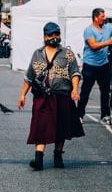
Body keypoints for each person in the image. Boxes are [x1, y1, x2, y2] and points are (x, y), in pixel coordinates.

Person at [18, 20, 83, 170]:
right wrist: (22, 95)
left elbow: (75, 73)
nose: (55, 37)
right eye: (51, 35)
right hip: (42, 97)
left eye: (57, 34)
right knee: (40, 126)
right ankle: (38, 159)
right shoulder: (37, 54)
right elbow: (29, 77)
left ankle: (58, 155)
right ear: (45, 37)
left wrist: (75, 89)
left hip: (62, 96)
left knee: (62, 127)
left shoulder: (67, 54)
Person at [78, 6, 112, 124]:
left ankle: (105, 114)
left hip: (103, 65)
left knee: (105, 91)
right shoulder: (89, 30)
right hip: (90, 65)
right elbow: (93, 46)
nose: (104, 18)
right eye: (102, 16)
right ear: (96, 18)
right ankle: (79, 115)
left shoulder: (108, 27)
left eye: (104, 16)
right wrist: (108, 42)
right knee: (85, 91)